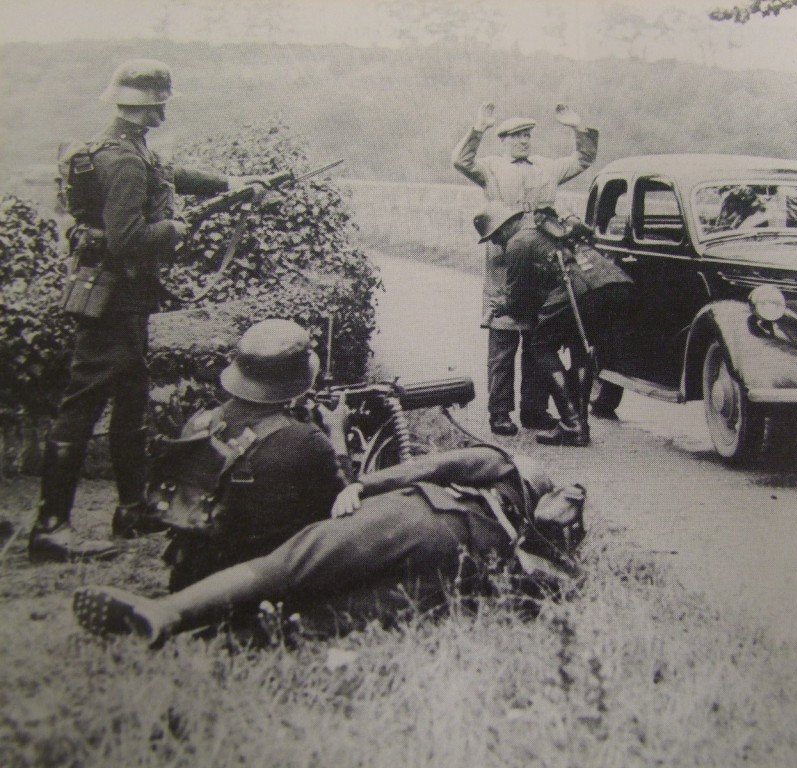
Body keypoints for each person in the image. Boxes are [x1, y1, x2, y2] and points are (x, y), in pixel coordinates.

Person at [29, 59, 259, 562]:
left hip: (124, 300)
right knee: (81, 408)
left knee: (131, 404)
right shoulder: (125, 161)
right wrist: (174, 230)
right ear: (151, 106)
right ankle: (50, 528)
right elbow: (127, 239)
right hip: (112, 301)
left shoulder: (124, 147)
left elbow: (170, 174)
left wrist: (232, 182)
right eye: (160, 104)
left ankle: (134, 510)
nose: (163, 112)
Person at [72, 445, 586, 647]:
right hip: (453, 562)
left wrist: (366, 484)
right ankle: (208, 634)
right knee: (328, 613)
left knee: (288, 573)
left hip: (419, 518)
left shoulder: (506, 466)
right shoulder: (536, 525)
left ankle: (174, 617)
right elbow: (542, 591)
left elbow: (429, 468)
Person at [157, 318, 348, 590]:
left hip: (193, 580)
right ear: (296, 380)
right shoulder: (307, 441)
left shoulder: (200, 423)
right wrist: (337, 434)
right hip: (263, 586)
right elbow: (346, 508)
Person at [452, 102, 599, 437]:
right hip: (505, 259)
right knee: (503, 338)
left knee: (537, 336)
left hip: (542, 261)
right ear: (503, 141)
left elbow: (583, 159)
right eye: (516, 136)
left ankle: (535, 410)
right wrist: (478, 129)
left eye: (527, 135)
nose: (522, 141)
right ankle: (500, 413)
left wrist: (578, 127)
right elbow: (461, 161)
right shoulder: (490, 168)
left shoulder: (547, 167)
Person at [474, 205, 633, 447]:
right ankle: (580, 426)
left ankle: (572, 424)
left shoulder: (518, 242)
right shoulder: (546, 227)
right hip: (611, 282)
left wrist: (503, 306)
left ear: (504, 227)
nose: (496, 243)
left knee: (541, 347)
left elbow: (518, 299)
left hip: (576, 288)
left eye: (495, 237)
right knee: (581, 348)